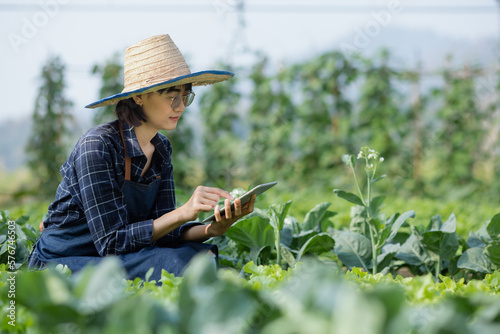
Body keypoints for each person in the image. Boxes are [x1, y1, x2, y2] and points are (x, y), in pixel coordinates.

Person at [27, 34, 255, 281]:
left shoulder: (161, 148)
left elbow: (164, 231)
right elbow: (111, 243)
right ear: (139, 97)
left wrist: (212, 228)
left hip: (117, 257)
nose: (180, 106)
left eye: (185, 96)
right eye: (171, 96)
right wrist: (184, 211)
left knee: (196, 257)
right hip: (64, 261)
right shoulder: (97, 146)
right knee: (173, 263)